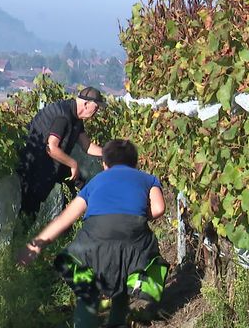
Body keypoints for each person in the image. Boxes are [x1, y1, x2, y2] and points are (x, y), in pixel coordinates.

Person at [17, 139, 167, 328]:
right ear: (135, 163)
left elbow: (65, 218)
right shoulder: (147, 178)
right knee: (123, 281)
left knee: (87, 293)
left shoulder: (96, 182)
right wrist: (136, 214)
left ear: (104, 164)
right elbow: (159, 208)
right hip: (133, 243)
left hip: (94, 242)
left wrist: (35, 245)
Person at [17, 86, 105, 217]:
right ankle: (25, 233)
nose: (97, 111)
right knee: (30, 209)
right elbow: (51, 148)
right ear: (86, 104)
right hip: (35, 165)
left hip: (50, 163)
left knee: (79, 183)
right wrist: (73, 164)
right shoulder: (63, 117)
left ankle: (73, 224)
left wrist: (109, 153)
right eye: (96, 107)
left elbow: (87, 145)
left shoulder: (76, 118)